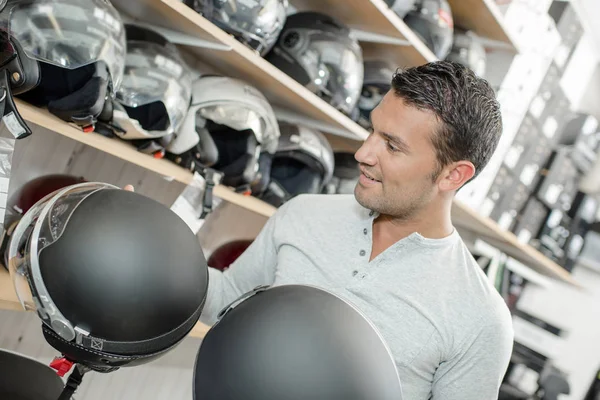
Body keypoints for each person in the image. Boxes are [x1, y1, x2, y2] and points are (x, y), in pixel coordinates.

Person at [130, 61, 514, 399]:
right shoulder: (303, 214)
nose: (363, 154)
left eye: (392, 147)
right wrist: (148, 240)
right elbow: (226, 301)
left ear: (453, 174)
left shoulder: (480, 319)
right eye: (372, 131)